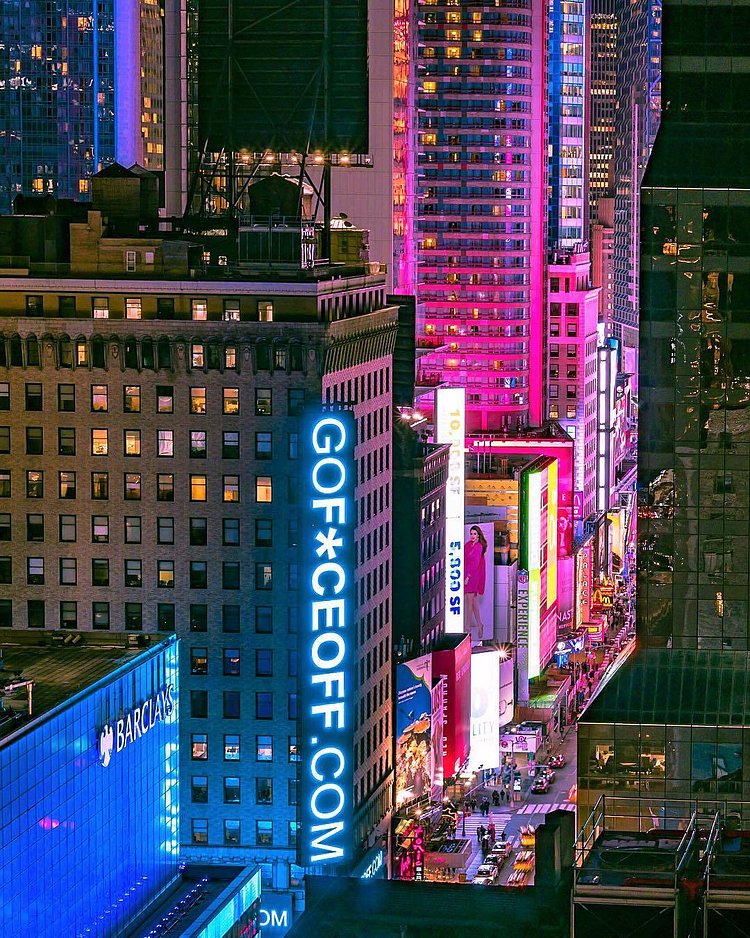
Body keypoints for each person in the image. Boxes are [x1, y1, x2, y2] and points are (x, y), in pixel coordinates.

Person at [464, 525, 488, 641]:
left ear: (478, 535)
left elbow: (475, 563)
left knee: (469, 601)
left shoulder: (479, 547)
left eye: (474, 534)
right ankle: (479, 624)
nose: (472, 536)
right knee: (473, 602)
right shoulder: (468, 545)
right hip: (467, 573)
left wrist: (468, 577)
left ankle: (467, 627)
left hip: (473, 576)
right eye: (471, 533)